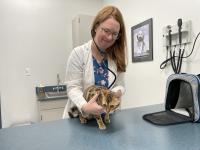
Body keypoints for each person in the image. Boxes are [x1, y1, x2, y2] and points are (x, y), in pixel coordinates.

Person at [63, 5, 127, 118]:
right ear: (96, 26)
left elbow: (120, 85)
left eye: (115, 34)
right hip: (79, 117)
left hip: (107, 117)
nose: (109, 37)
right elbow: (73, 87)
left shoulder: (116, 56)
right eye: (106, 30)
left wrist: (116, 92)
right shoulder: (78, 53)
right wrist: (85, 106)